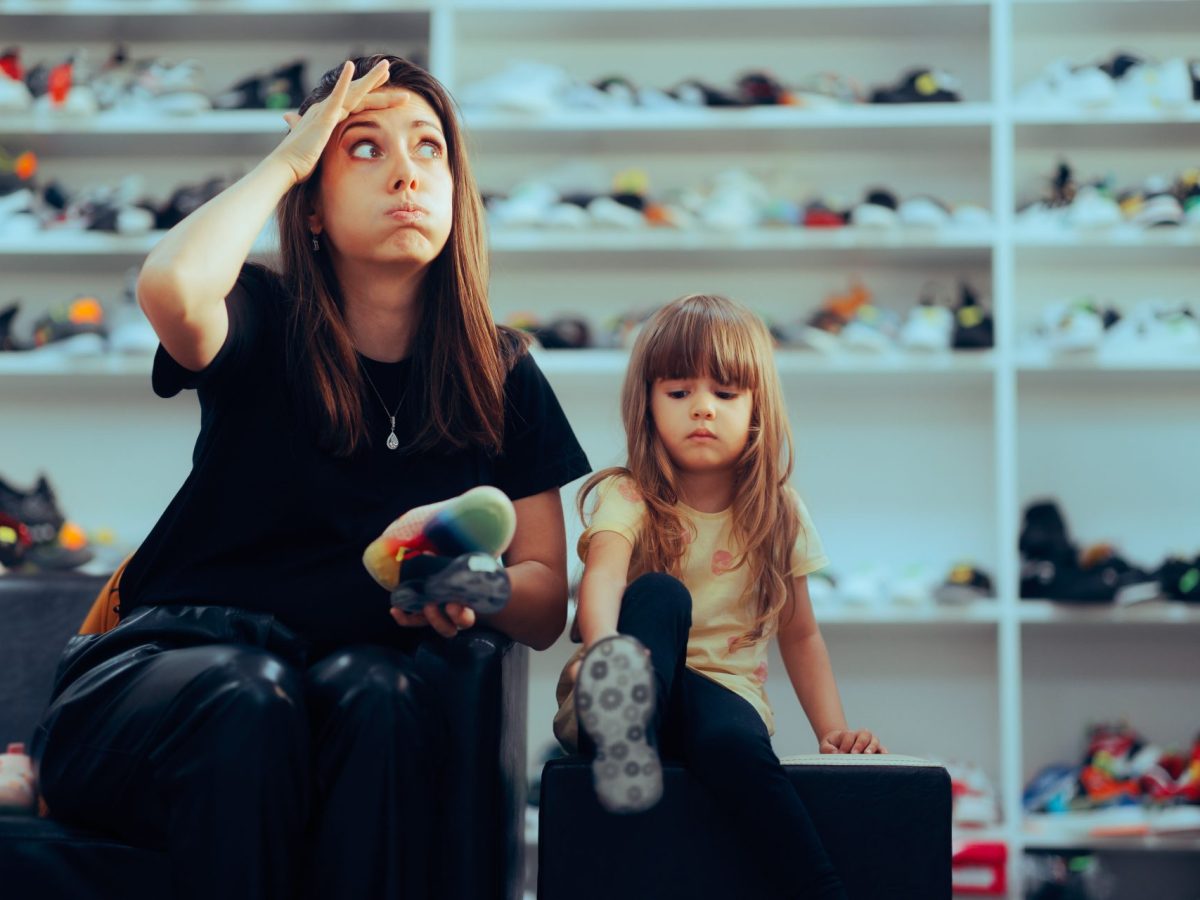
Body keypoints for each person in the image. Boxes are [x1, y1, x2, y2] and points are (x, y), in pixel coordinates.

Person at [30, 55, 590, 900]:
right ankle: (40, 767)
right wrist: (290, 157)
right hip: (172, 666)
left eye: (428, 147)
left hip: (334, 688)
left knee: (383, 693)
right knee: (250, 696)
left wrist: (478, 587)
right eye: (363, 148)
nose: (406, 170)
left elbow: (546, 600)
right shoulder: (258, 317)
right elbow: (170, 285)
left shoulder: (499, 371)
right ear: (315, 209)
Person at [553, 294, 883, 900]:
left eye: (725, 395)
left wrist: (831, 732)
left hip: (724, 698)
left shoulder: (779, 512)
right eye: (679, 393)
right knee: (658, 594)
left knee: (732, 740)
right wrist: (603, 652)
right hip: (629, 695)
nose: (702, 408)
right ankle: (624, 713)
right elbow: (601, 579)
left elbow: (801, 633)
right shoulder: (628, 494)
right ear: (648, 405)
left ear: (757, 408)